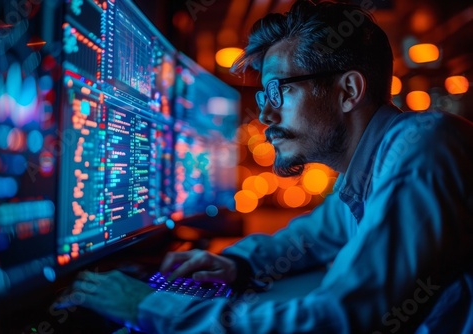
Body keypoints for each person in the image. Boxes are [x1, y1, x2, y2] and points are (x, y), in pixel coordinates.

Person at [67, 0, 473, 332]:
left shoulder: (422, 148)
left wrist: (151, 308)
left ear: (348, 90)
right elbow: (312, 236)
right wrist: (238, 262)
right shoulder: (368, 169)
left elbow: (341, 319)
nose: (266, 116)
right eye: (263, 97)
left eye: (279, 91)